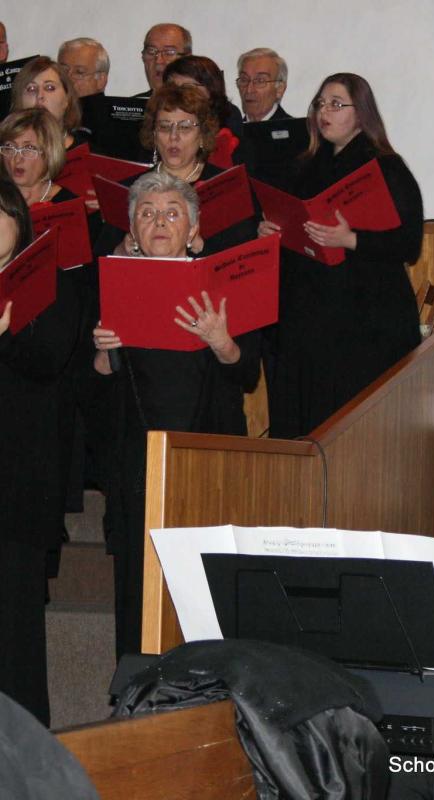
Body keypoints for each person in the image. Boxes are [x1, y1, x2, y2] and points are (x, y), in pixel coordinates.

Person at [92, 172, 260, 659]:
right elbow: (94, 393)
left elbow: (247, 373)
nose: (159, 221)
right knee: (135, 582)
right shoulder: (111, 284)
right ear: (132, 230)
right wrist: (103, 354)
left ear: (193, 228)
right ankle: (135, 685)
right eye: (146, 213)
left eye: (171, 213)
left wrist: (220, 340)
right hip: (136, 462)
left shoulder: (222, 283)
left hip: (205, 457)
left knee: (204, 584)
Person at [263, 73, 422, 439]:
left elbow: (408, 244)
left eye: (336, 104)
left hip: (365, 323)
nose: (324, 112)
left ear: (361, 112)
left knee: (351, 426)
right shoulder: (304, 166)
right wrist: (271, 232)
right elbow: (291, 223)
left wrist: (351, 239)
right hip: (309, 319)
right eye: (319, 104)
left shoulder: (385, 167)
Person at [0, 178, 79, 726]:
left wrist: (5, 336)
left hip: (16, 485)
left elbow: (50, 361)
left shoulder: (44, 276)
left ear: (18, 220)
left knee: (16, 634)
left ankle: (24, 758)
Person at [94, 83, 258, 259]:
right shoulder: (129, 189)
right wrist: (122, 251)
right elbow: (98, 264)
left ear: (202, 134)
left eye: (185, 127)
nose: (174, 136)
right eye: (164, 126)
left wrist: (202, 247)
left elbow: (246, 259)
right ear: (154, 134)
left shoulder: (229, 187)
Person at [163, 54, 243, 167]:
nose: (178, 95)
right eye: (172, 88)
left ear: (211, 90)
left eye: (187, 88)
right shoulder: (158, 125)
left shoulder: (228, 120)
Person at [10, 57, 85, 150]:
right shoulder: (5, 155)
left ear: (67, 99)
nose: (39, 95)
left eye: (49, 88)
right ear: (19, 100)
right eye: (31, 89)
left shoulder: (91, 159)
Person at [236, 47, 290, 123]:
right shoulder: (229, 133)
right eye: (244, 80)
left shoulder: (298, 132)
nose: (249, 90)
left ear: (279, 89)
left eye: (260, 81)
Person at [138, 23, 192, 95]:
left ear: (187, 59)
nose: (158, 61)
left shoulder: (203, 105)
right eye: (151, 51)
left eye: (169, 52)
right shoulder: (130, 105)